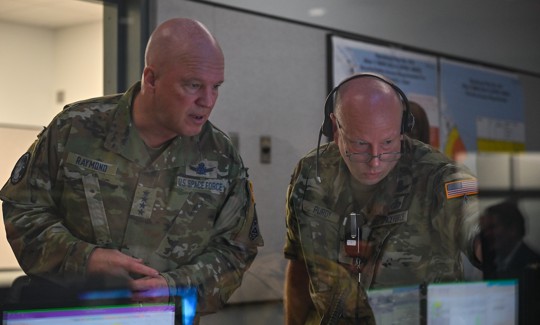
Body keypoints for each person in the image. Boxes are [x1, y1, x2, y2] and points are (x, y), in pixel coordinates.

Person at [0, 18, 263, 324]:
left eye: (215, 87)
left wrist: (174, 286)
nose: (207, 101)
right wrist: (83, 259)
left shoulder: (220, 157)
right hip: (73, 314)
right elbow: (24, 211)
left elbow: (235, 250)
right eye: (193, 85)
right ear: (151, 79)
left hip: (164, 317)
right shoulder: (76, 128)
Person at [283, 73, 481, 324]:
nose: (375, 160)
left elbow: (472, 213)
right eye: (360, 144)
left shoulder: (436, 175)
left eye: (388, 142)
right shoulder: (311, 174)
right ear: (335, 128)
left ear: (402, 129)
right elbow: (300, 266)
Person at [480, 200, 540, 280]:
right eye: (485, 229)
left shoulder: (533, 264)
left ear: (513, 229)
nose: (486, 234)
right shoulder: (490, 262)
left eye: (492, 227)